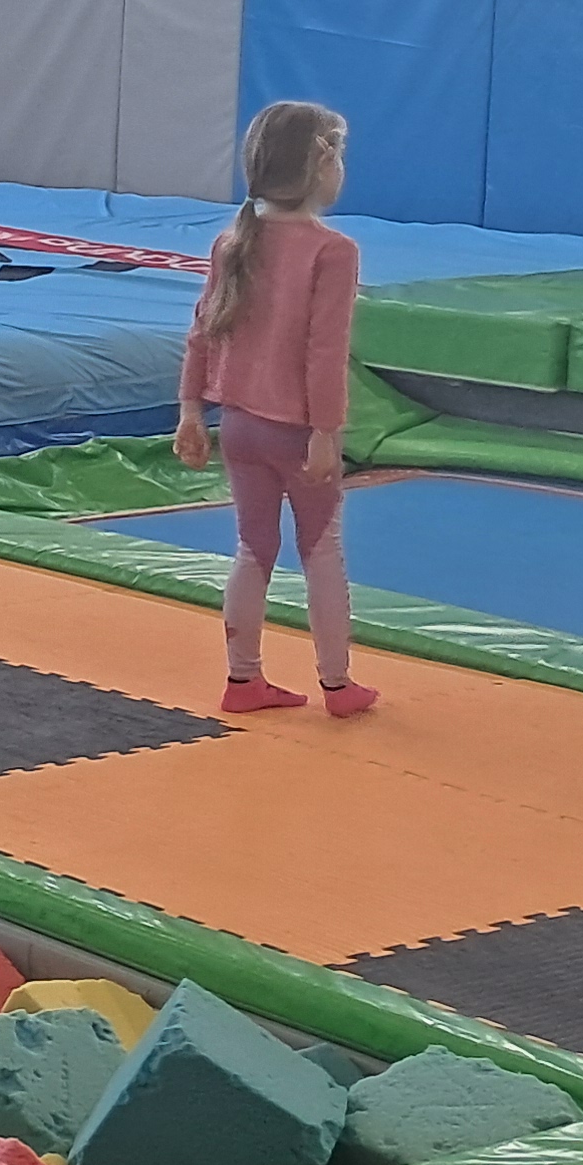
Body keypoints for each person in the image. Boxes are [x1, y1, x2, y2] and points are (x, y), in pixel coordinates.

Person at [172, 101, 372, 718]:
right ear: (322, 166)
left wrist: (190, 410)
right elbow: (324, 350)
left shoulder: (233, 240)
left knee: (253, 548)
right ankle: (337, 684)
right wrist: (326, 431)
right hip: (295, 429)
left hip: (238, 426)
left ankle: (243, 678)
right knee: (321, 549)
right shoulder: (332, 250)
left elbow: (202, 331)